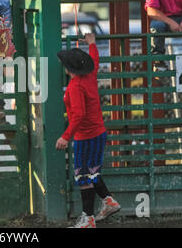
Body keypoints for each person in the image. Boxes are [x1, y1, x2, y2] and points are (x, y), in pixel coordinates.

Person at [56, 33, 120, 228]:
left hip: (87, 135)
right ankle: (108, 202)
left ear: (68, 69)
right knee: (91, 172)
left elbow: (79, 115)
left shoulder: (75, 86)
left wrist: (66, 136)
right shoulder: (89, 76)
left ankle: (89, 217)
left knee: (83, 175)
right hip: (97, 132)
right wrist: (92, 44)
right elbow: (96, 61)